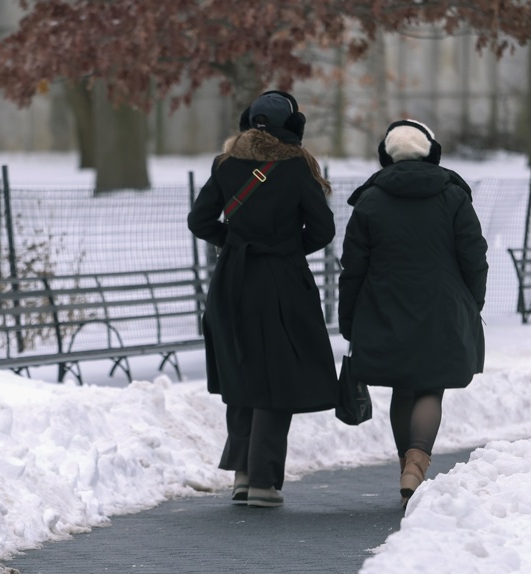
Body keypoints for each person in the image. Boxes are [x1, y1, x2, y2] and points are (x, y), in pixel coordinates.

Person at [188, 90, 338, 509]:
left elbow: (199, 220)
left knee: (242, 374)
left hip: (231, 281)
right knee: (277, 379)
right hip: (280, 283)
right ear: (292, 126)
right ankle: (263, 482)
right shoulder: (297, 166)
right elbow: (323, 229)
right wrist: (286, 249)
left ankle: (242, 475)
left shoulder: (225, 164)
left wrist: (233, 243)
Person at [338, 119, 489, 507]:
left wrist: (349, 318)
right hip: (442, 306)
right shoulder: (453, 195)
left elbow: (352, 266)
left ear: (386, 155)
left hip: (384, 305)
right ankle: (416, 464)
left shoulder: (370, 199)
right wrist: (472, 303)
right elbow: (474, 256)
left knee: (402, 387)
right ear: (431, 152)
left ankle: (406, 469)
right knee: (430, 387)